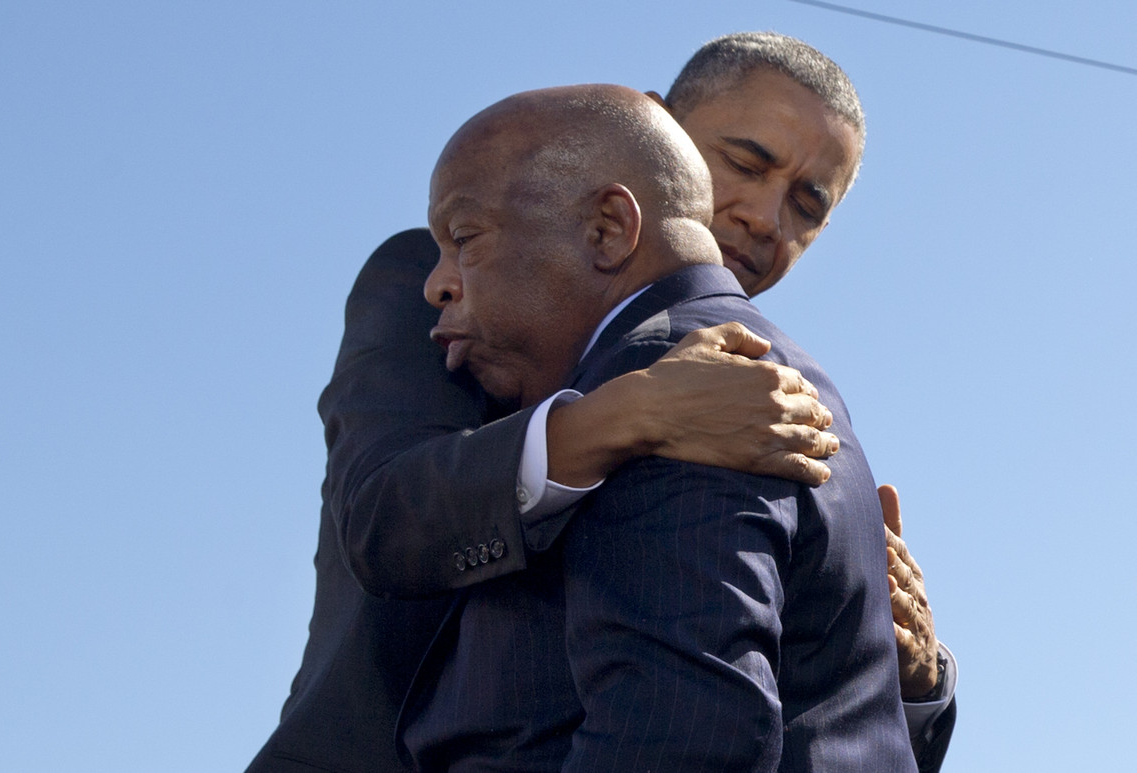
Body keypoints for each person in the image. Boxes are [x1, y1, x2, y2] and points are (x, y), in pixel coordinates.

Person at [247, 32, 953, 773]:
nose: (767, 219)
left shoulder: (737, 385)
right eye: (745, 162)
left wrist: (898, 665)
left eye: (808, 207)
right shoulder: (454, 287)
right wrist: (617, 418)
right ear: (650, 129)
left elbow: (730, 723)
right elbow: (385, 513)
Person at [400, 82, 914, 770]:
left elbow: (685, 735)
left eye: (465, 238)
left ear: (610, 228)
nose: (438, 283)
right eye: (746, 163)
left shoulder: (688, 376)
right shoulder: (742, 371)